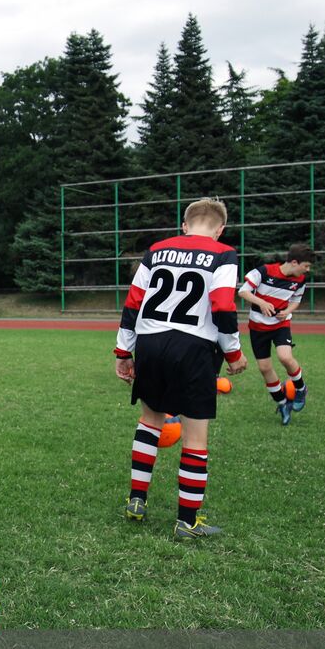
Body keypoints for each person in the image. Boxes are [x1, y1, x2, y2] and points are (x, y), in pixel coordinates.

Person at [115, 198, 246, 537]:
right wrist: (234, 354)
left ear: (185, 225)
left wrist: (122, 352)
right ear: (220, 229)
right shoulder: (224, 253)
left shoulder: (156, 250)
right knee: (195, 438)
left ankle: (136, 501)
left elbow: (133, 300)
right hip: (194, 348)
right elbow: (222, 305)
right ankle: (187, 521)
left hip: (150, 344)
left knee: (150, 422)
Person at [238, 244, 314, 425]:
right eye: (306, 266)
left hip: (281, 325)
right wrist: (261, 303)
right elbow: (243, 291)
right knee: (265, 368)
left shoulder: (300, 279)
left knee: (285, 357)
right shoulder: (264, 271)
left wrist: (287, 310)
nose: (308, 270)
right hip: (257, 327)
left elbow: (296, 300)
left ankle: (301, 388)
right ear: (294, 262)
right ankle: (282, 403)